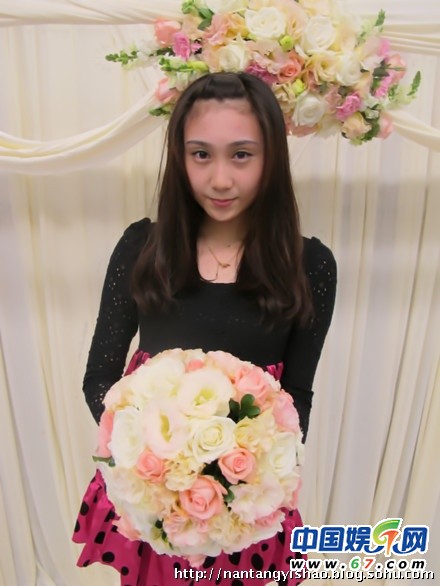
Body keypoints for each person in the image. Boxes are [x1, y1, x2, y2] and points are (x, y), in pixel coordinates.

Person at [72, 72, 337, 586]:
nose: (220, 179)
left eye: (241, 155)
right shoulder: (141, 249)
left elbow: (297, 398)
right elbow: (99, 379)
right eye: (201, 154)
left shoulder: (310, 265)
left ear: (271, 158)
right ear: (180, 157)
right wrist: (152, 461)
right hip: (155, 492)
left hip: (245, 499)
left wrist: (242, 477)